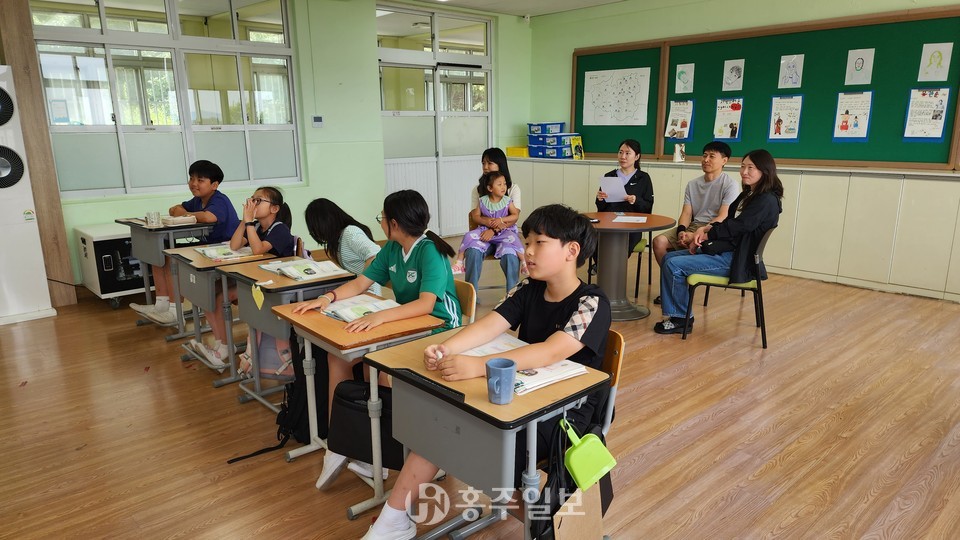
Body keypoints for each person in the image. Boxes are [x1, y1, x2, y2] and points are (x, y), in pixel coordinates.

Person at [360, 204, 611, 540]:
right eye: (528, 241)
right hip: (521, 396)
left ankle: (546, 523)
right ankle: (394, 520)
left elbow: (551, 350)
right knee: (443, 418)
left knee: (464, 433)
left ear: (572, 251)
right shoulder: (528, 288)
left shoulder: (591, 302)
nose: (528, 250)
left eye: (540, 243)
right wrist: (449, 349)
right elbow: (490, 326)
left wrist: (478, 366)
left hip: (564, 413)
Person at [292, 189, 462, 486]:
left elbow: (426, 305)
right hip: (406, 325)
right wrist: (327, 298)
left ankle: (386, 454)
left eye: (382, 217)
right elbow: (361, 282)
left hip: (440, 329)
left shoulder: (429, 251)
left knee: (378, 369)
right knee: (339, 357)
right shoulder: (393, 249)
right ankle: (341, 440)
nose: (381, 222)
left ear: (394, 223)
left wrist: (380, 316)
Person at [654, 149, 783, 335]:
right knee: (669, 258)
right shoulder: (749, 194)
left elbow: (738, 226)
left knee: (674, 264)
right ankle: (679, 312)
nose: (744, 172)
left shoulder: (766, 200)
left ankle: (681, 319)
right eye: (742, 166)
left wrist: (706, 234)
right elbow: (730, 223)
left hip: (737, 260)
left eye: (751, 168)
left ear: (765, 171)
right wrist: (705, 232)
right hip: (727, 251)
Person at [195, 187, 294, 369]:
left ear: (274, 209)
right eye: (252, 200)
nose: (252, 204)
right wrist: (245, 220)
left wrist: (248, 222)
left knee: (220, 297)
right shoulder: (256, 226)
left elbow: (258, 249)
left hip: (274, 289)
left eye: (258, 201)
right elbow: (234, 245)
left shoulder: (280, 230)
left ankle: (224, 347)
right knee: (209, 293)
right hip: (256, 281)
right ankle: (221, 344)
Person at [130, 160, 239, 324]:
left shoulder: (219, 199)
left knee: (175, 258)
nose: (194, 184)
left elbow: (210, 217)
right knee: (162, 253)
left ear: (214, 185)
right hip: (208, 247)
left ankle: (175, 311)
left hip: (226, 248)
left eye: (200, 180)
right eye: (191, 178)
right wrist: (187, 212)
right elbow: (174, 210)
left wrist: (186, 213)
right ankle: (161, 304)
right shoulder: (197, 200)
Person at [651, 141, 740, 305]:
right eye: (704, 155)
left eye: (712, 156)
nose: (706, 160)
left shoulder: (730, 185)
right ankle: (676, 288)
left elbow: (723, 216)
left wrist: (698, 233)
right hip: (693, 225)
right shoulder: (693, 184)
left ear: (724, 160)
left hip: (714, 229)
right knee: (658, 242)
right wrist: (682, 231)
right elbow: (686, 213)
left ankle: (676, 291)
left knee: (684, 251)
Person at [462, 148, 525, 292]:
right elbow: (475, 216)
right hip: (483, 233)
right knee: (472, 251)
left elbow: (514, 218)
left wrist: (494, 229)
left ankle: (512, 295)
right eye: (483, 163)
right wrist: (489, 229)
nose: (485, 167)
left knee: (510, 255)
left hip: (506, 234)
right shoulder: (477, 190)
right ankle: (471, 295)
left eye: (490, 163)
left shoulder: (513, 189)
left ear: (500, 165)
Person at [594, 138, 654, 270]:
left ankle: (608, 269)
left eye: (628, 153)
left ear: (637, 156)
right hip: (610, 221)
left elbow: (648, 206)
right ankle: (602, 267)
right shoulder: (609, 176)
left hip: (631, 224)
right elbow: (600, 208)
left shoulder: (644, 178)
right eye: (620, 152)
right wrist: (600, 198)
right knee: (594, 237)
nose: (623, 156)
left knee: (623, 243)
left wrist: (635, 200)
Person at [303, 197, 382, 297]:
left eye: (315, 228)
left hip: (367, 293)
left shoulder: (350, 232)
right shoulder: (337, 239)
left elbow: (376, 254)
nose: (314, 232)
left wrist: (363, 285)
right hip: (355, 292)